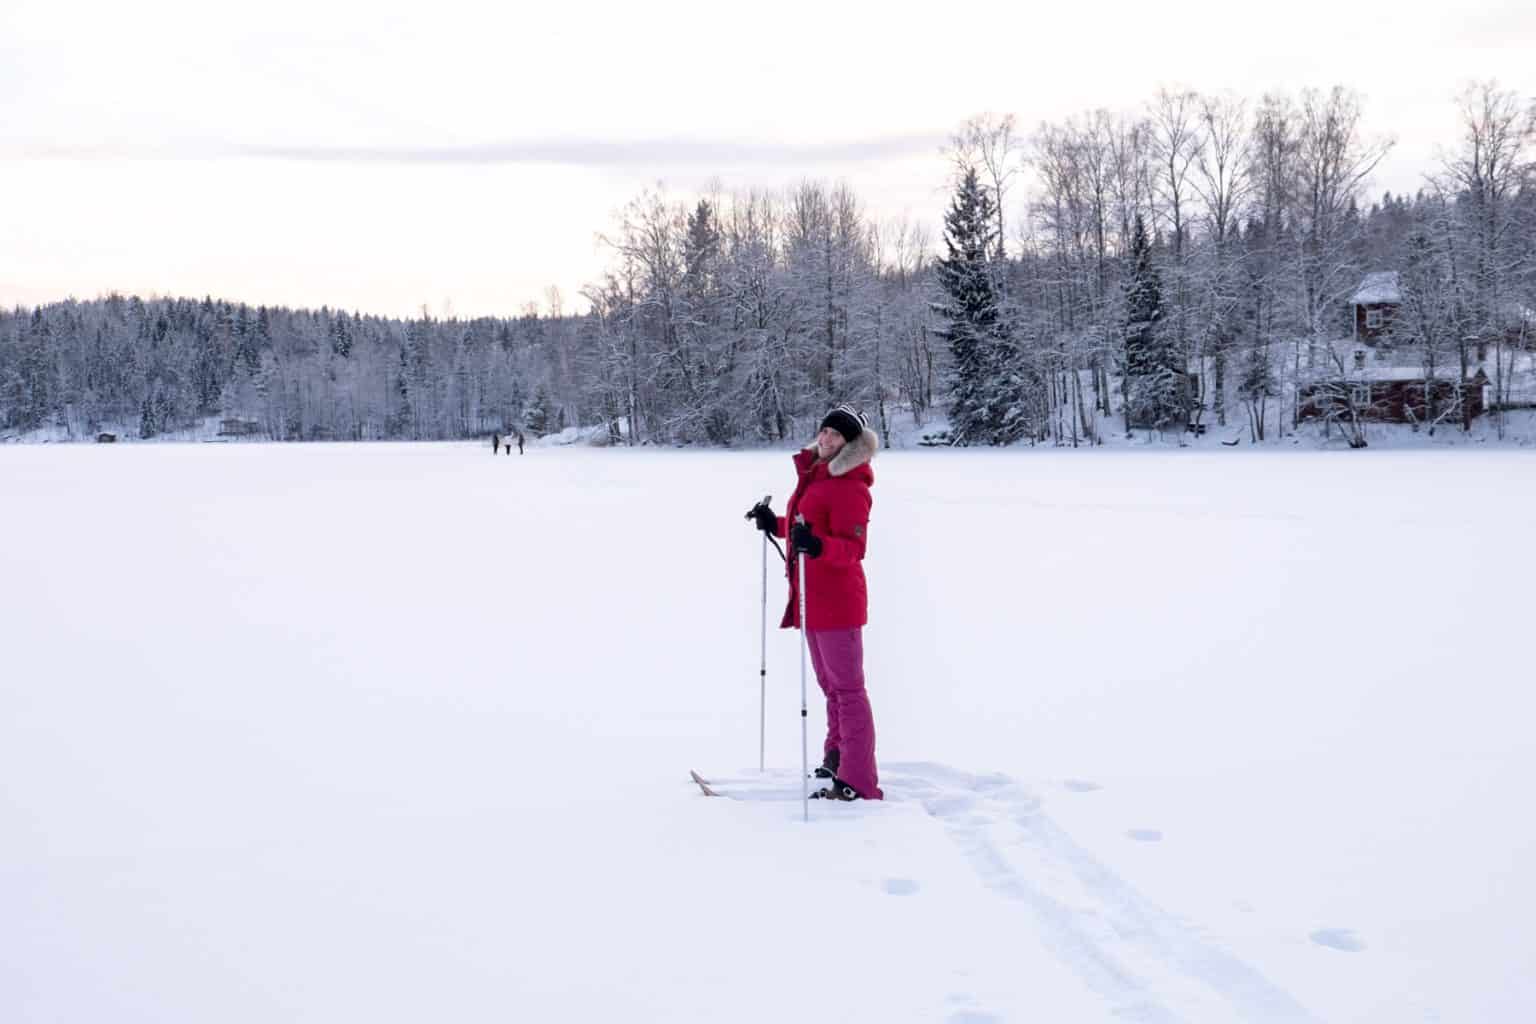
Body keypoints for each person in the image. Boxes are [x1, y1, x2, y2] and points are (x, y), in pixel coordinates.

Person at [747, 404, 882, 801]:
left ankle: (859, 780)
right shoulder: (815, 477)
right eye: (824, 431)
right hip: (810, 597)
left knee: (849, 690)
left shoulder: (852, 485)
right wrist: (777, 525)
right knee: (831, 686)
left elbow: (853, 548)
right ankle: (837, 755)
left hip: (838, 602)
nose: (825, 439)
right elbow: (808, 527)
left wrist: (819, 546)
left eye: (836, 436)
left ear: (850, 444)